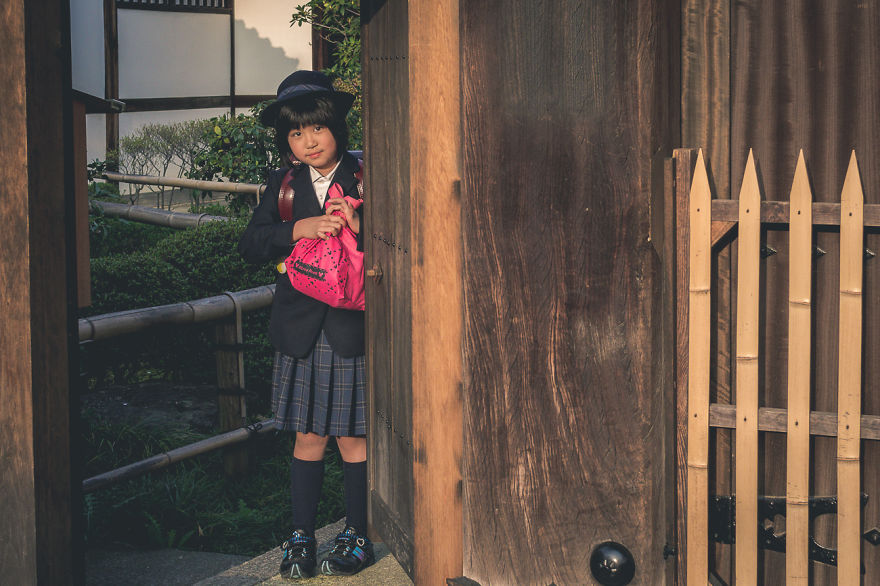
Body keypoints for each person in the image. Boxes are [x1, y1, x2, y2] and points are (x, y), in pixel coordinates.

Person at [238, 70, 373, 579]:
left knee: (354, 440)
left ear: (335, 125)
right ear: (287, 142)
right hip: (299, 331)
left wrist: (361, 227)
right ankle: (301, 538)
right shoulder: (287, 186)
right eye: (296, 133)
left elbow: (403, 247)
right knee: (308, 438)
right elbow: (250, 245)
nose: (308, 141)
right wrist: (298, 227)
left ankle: (357, 535)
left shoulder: (364, 177)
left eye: (316, 128)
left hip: (349, 329)